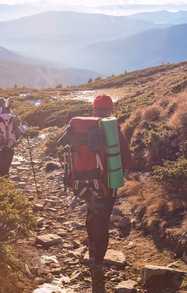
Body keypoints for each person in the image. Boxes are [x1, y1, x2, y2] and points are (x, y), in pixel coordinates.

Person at [61, 94, 132, 292]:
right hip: (106, 185)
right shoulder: (111, 129)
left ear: (93, 110)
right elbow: (126, 159)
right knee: (103, 220)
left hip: (83, 183)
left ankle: (91, 252)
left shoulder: (79, 128)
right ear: (111, 110)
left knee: (90, 212)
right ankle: (97, 267)